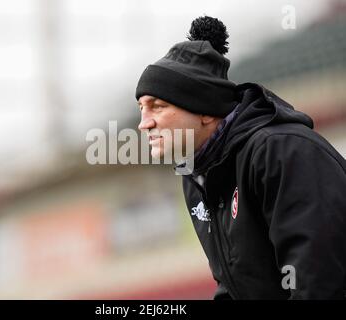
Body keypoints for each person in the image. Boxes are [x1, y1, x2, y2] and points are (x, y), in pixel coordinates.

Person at [135, 16, 346, 299]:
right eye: (141, 108)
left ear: (205, 111)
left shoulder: (280, 151)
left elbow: (317, 281)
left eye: (157, 106)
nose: (144, 123)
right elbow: (234, 288)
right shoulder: (195, 176)